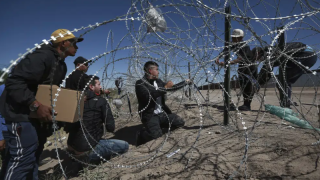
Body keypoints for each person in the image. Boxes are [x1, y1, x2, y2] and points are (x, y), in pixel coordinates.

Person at [0, 29, 83, 180]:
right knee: (22, 160)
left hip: (36, 118)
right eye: (73, 43)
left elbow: (47, 90)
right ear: (63, 43)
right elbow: (14, 83)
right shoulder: (42, 57)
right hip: (21, 115)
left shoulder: (61, 64)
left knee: (32, 157)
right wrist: (35, 105)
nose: (76, 47)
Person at [67, 76, 129, 163]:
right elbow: (111, 127)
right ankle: (91, 161)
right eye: (98, 84)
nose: (100, 87)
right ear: (91, 87)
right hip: (86, 151)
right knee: (125, 146)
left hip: (71, 146)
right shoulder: (101, 101)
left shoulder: (77, 100)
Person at [135, 61, 191, 146]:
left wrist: (185, 82)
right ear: (150, 71)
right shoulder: (141, 83)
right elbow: (148, 97)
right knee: (156, 136)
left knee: (180, 122)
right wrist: (164, 88)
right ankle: (142, 134)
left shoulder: (158, 82)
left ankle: (158, 126)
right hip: (150, 116)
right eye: (157, 70)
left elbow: (171, 88)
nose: (158, 72)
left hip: (162, 114)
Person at [254, 42, 318, 107]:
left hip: (305, 55)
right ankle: (287, 101)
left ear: (258, 53)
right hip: (308, 56)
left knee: (283, 80)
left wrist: (258, 83)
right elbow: (268, 70)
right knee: (285, 79)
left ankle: (286, 104)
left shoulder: (270, 52)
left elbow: (266, 69)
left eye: (257, 58)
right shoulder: (272, 51)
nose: (258, 61)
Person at [215, 29, 257, 111]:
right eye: (233, 37)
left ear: (241, 37)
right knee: (243, 86)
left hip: (250, 68)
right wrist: (218, 57)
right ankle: (245, 105)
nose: (233, 39)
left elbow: (240, 59)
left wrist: (227, 62)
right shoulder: (235, 45)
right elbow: (226, 50)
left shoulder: (245, 46)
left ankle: (247, 105)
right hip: (242, 68)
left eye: (236, 37)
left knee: (248, 86)